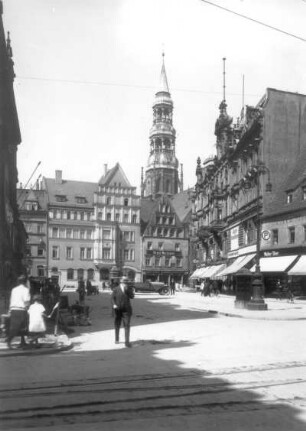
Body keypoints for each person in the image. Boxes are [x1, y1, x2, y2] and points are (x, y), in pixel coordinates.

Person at [6, 274, 31, 349]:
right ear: (25, 282)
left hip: (13, 309)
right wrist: (29, 309)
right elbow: (26, 301)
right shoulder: (25, 290)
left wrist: (9, 310)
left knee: (21, 327)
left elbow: (11, 300)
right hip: (21, 310)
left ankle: (22, 342)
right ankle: (8, 340)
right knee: (18, 327)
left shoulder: (14, 289)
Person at [111, 276, 134, 348]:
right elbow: (112, 298)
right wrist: (114, 304)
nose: (125, 282)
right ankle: (116, 339)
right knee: (117, 324)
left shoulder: (129, 288)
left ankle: (127, 342)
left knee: (127, 325)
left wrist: (128, 290)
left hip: (126, 310)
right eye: (124, 280)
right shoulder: (116, 289)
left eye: (126, 281)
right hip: (117, 310)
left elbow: (132, 296)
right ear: (121, 281)